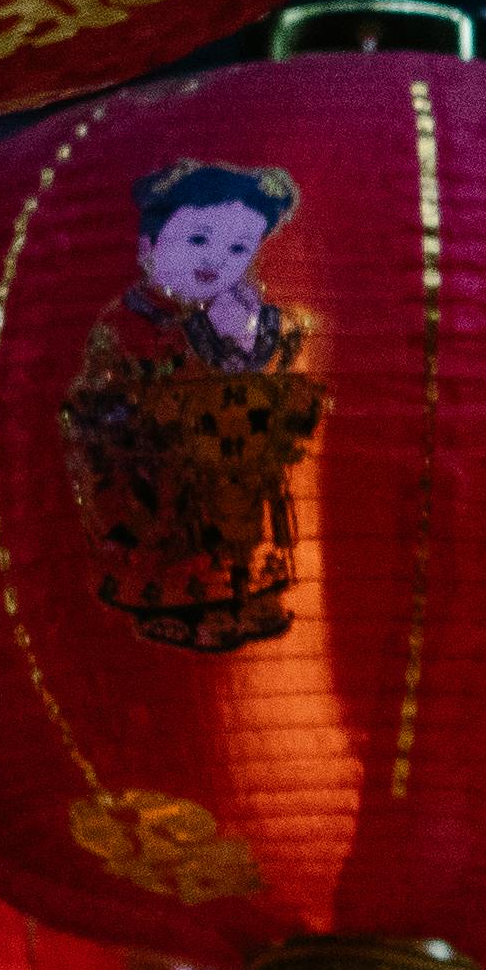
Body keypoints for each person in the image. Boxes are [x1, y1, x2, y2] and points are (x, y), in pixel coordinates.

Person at [62, 158, 323, 653]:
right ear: (148, 246)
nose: (216, 260)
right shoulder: (129, 320)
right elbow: (98, 399)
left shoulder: (246, 315)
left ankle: (241, 601)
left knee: (240, 533)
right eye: (198, 240)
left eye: (238, 248)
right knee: (170, 537)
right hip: (153, 468)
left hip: (231, 461)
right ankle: (172, 609)